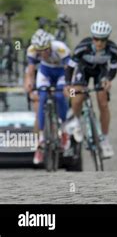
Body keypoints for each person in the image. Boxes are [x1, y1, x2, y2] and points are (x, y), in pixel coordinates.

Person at [64, 21, 117, 159]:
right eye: (96, 39)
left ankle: (105, 140)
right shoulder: (82, 47)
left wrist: (108, 80)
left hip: (100, 72)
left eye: (103, 40)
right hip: (83, 70)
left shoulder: (113, 50)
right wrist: (67, 85)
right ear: (92, 38)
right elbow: (70, 67)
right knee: (77, 96)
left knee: (103, 102)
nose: (99, 43)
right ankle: (74, 121)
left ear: (108, 39)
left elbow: (113, 69)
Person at [24, 29, 71, 165]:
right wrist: (29, 83)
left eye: (45, 50)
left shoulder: (60, 48)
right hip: (45, 71)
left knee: (60, 96)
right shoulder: (32, 50)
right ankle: (42, 138)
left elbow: (69, 67)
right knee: (42, 97)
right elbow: (31, 69)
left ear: (50, 45)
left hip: (62, 72)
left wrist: (68, 85)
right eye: (40, 51)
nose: (43, 53)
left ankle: (64, 130)